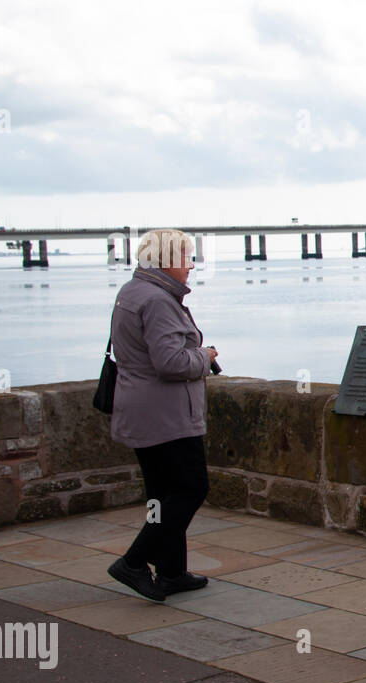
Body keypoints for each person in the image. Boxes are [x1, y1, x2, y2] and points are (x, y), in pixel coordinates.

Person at [106, 228, 218, 601]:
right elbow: (170, 362)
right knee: (191, 488)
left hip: (139, 409)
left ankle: (171, 572)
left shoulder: (131, 291)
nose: (190, 265)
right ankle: (134, 562)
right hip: (166, 415)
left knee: (161, 494)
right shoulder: (157, 300)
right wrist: (205, 357)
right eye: (186, 258)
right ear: (167, 261)